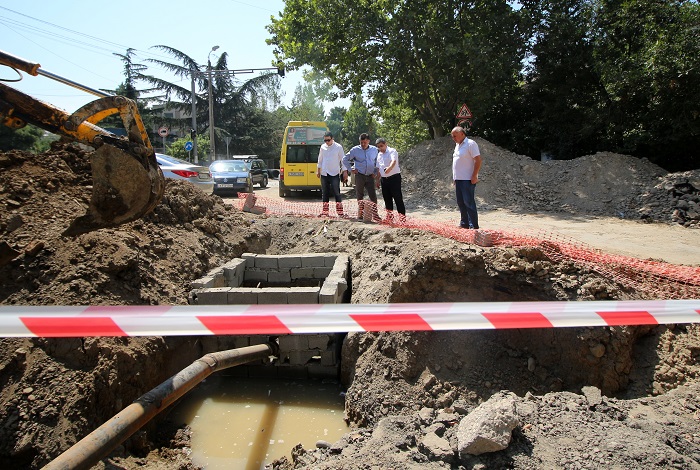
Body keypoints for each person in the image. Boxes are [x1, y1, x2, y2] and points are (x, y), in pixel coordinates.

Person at [343, 133, 380, 220]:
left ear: (368, 141)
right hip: (359, 175)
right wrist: (350, 169)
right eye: (361, 142)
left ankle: (375, 214)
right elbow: (345, 159)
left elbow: (378, 162)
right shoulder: (355, 150)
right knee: (360, 195)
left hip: (370, 176)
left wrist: (375, 172)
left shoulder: (374, 150)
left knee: (373, 196)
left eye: (365, 142)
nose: (363, 144)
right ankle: (360, 214)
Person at [451, 126, 482, 229]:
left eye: (455, 136)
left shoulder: (470, 144)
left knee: (469, 202)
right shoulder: (457, 145)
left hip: (467, 179)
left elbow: (478, 160)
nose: (453, 138)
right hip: (459, 179)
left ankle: (474, 226)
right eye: (452, 136)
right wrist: (455, 178)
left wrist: (474, 175)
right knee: (461, 202)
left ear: (462, 134)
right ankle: (464, 224)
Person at [316, 131, 348, 217]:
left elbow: (343, 160)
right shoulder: (323, 147)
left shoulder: (338, 147)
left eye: (328, 140)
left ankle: (340, 212)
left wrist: (345, 172)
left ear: (332, 139)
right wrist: (318, 170)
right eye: (325, 140)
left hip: (334, 173)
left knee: (336, 192)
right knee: (325, 193)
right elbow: (320, 159)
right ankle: (325, 212)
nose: (327, 142)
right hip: (324, 173)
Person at [375, 137, 406, 222]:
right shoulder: (379, 154)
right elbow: (379, 168)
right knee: (387, 199)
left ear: (386, 144)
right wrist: (377, 180)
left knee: (398, 199)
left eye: (381, 146)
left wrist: (389, 168)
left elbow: (394, 161)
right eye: (378, 146)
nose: (380, 148)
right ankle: (389, 218)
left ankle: (402, 219)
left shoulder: (392, 151)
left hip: (394, 178)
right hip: (384, 180)